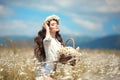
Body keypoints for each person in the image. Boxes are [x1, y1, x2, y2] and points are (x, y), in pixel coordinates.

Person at [34, 15, 64, 80]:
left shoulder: (58, 42)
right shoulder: (47, 41)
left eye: (57, 24)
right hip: (46, 72)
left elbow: (59, 57)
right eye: (53, 24)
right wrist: (47, 28)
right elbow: (47, 39)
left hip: (54, 71)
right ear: (48, 28)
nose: (56, 25)